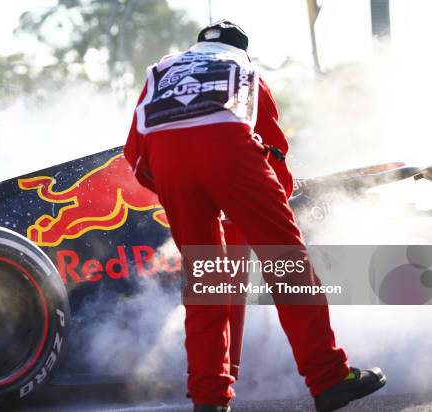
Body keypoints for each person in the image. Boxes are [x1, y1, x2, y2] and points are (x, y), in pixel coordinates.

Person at [124, 20, 386, 412]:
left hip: (167, 162)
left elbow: (136, 155)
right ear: (242, 50)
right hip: (228, 152)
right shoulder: (243, 71)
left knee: (207, 284)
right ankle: (328, 377)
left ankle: (210, 399)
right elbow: (275, 153)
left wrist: (184, 193)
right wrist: (274, 201)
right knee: (286, 263)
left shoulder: (162, 72)